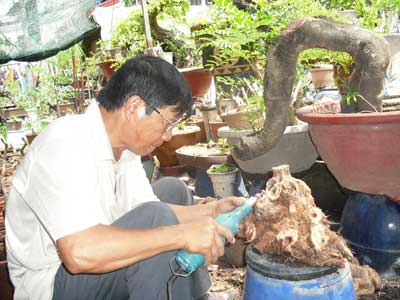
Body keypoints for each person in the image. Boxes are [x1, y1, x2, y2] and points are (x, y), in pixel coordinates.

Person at [5, 55, 244, 300]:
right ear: (134, 107)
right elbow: (79, 253)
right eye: (167, 123)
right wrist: (181, 234)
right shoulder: (64, 143)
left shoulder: (125, 150)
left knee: (174, 190)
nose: (168, 136)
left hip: (93, 258)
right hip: (55, 284)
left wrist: (213, 211)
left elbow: (143, 208)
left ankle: (193, 295)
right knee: (159, 222)